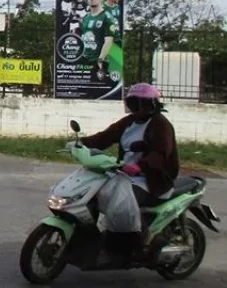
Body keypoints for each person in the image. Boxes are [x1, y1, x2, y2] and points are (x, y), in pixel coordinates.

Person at [76, 82, 180, 262]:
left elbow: (160, 153)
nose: (135, 108)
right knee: (91, 194)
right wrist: (80, 143)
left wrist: (141, 166)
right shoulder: (129, 122)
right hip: (125, 174)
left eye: (139, 103)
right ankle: (98, 240)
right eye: (132, 103)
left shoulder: (161, 125)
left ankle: (146, 240)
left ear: (151, 104)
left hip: (151, 180)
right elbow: (105, 137)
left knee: (122, 202)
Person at [79, 0, 117, 82]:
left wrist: (101, 59)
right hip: (84, 59)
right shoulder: (86, 17)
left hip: (98, 61)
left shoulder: (107, 17)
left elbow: (109, 41)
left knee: (98, 88)